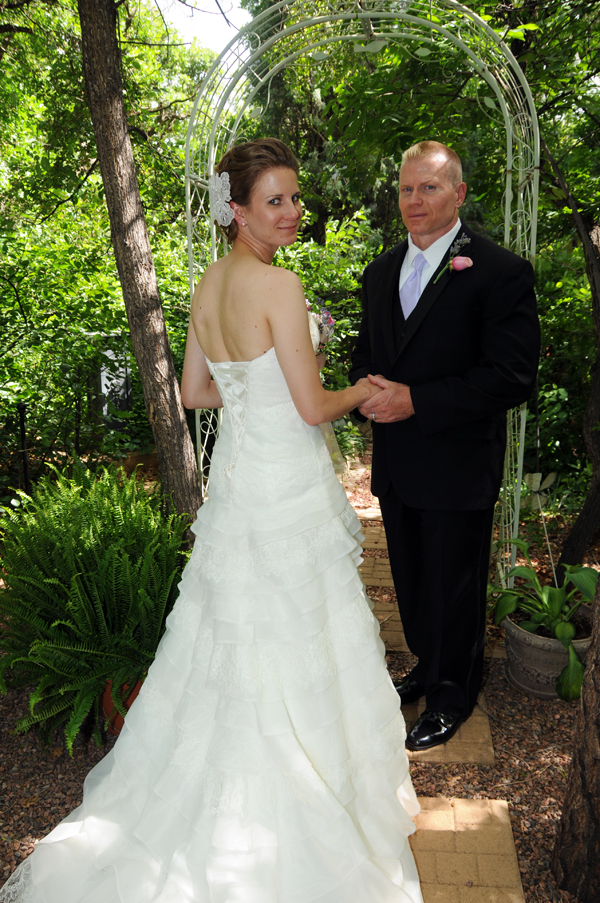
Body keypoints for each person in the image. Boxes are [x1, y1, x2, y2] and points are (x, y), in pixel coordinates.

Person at [1, 138, 423, 903]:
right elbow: (309, 406)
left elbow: (196, 391)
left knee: (229, 641)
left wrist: (258, 392)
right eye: (275, 201)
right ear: (236, 208)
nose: (292, 212)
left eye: (295, 198)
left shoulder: (207, 283)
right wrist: (360, 387)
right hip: (284, 489)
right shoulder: (280, 287)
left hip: (239, 487)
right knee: (298, 638)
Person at [350, 140, 540, 753]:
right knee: (410, 579)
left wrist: (417, 401)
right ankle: (430, 668)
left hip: (458, 464)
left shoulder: (498, 270)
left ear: (458, 194)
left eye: (428, 188)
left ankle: (454, 695)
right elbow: (368, 355)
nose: (414, 200)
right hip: (400, 464)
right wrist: (366, 391)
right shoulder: (379, 273)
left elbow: (511, 375)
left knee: (455, 586)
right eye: (406, 189)